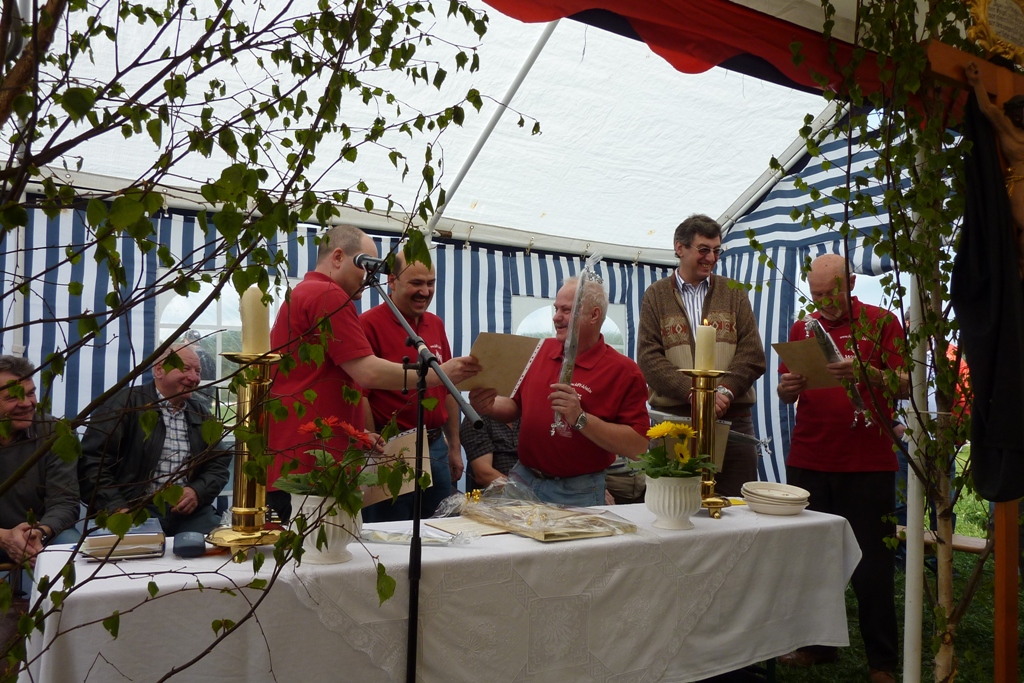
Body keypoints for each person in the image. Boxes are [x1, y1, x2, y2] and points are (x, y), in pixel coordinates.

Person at [266, 224, 479, 521]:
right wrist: (436, 374)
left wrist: (360, 434)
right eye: (365, 265)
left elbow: (327, 378)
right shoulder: (327, 294)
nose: (369, 277)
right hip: (314, 459)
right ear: (338, 257)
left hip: (309, 452)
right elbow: (367, 373)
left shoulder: (306, 292)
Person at [776, 254, 907, 683]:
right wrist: (787, 387)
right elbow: (786, 393)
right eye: (815, 295)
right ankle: (818, 644)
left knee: (873, 565)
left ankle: (881, 662)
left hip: (867, 462)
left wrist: (868, 373)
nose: (822, 303)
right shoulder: (803, 328)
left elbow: (909, 383)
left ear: (850, 283)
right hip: (810, 458)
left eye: (829, 294)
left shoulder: (881, 322)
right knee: (812, 558)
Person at [469, 277, 649, 506]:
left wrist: (581, 419)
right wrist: (490, 406)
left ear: (594, 315)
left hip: (576, 491)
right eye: (556, 309)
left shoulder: (624, 372)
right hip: (523, 480)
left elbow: (638, 446)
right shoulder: (540, 350)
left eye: (566, 310)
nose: (556, 317)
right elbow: (516, 406)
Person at [637, 214, 766, 496]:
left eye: (717, 251)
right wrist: (693, 393)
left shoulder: (734, 293)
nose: (711, 258)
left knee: (736, 509)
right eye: (704, 249)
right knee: (675, 505)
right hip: (675, 421)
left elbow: (753, 353)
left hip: (733, 418)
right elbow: (648, 358)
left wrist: (724, 392)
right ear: (680, 247)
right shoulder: (656, 295)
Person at [79, 343, 231, 536]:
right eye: (185, 368)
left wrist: (197, 492)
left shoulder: (200, 413)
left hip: (189, 514)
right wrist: (116, 507)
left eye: (198, 371)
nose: (194, 378)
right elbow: (91, 464)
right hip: (134, 509)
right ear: (159, 370)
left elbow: (219, 463)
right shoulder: (124, 405)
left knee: (219, 545)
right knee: (140, 552)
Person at [360, 254, 463, 520]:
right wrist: (376, 455)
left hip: (435, 446)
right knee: (389, 531)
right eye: (416, 283)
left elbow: (447, 387)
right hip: (393, 447)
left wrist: (454, 447)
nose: (425, 291)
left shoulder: (435, 323)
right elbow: (361, 394)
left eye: (431, 283)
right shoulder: (369, 324)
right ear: (392, 281)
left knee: (440, 527)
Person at [0, 356, 79, 567]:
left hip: (40, 534)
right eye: (13, 397)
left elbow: (64, 501)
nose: (26, 404)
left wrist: (39, 532)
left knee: (70, 548)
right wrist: (4, 537)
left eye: (30, 393)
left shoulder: (55, 433)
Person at [966, 61, 1024, 278]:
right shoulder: (1006, 128)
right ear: (1017, 113)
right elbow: (987, 109)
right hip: (1018, 183)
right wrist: (977, 82)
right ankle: (1019, 267)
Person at [460, 415, 519, 491]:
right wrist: (522, 492)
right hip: (498, 495)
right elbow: (483, 475)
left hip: (529, 487)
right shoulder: (476, 419)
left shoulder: (525, 415)